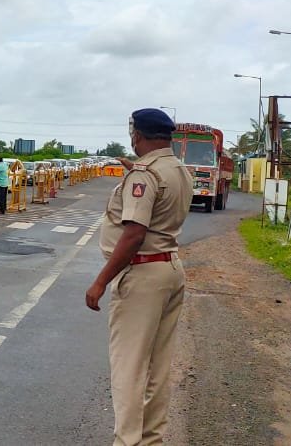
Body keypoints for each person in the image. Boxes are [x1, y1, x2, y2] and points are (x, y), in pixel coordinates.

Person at [85, 108, 192, 446]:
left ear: (137, 135)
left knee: (128, 369)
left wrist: (101, 280)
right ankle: (150, 440)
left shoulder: (145, 174)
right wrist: (138, 176)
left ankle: (127, 442)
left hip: (143, 274)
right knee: (158, 369)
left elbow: (133, 233)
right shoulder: (176, 169)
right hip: (171, 269)